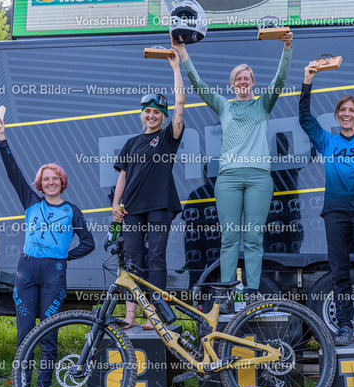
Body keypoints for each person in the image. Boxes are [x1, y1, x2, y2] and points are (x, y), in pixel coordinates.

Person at [172, 31, 293, 297]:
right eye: (238, 79)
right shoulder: (223, 106)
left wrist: (287, 48)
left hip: (259, 178)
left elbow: (280, 79)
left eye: (246, 78)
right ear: (232, 85)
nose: (242, 82)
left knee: (253, 237)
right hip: (228, 178)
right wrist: (183, 53)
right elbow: (198, 84)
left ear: (253, 83)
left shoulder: (263, 105)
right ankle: (227, 292)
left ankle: (252, 291)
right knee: (229, 237)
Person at [0, 119, 95, 387]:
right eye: (46, 179)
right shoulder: (31, 201)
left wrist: (63, 256)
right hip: (26, 272)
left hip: (54, 275)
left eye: (55, 178)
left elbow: (89, 244)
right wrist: (1, 139)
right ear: (40, 184)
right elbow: (13, 171)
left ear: (62, 182)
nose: (50, 182)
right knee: (24, 333)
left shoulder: (72, 211)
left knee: (49, 333)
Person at [299, 61, 354, 346]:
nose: (347, 114)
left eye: (351, 111)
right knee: (339, 272)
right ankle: (345, 327)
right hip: (335, 212)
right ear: (337, 115)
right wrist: (307, 82)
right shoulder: (327, 141)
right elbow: (305, 119)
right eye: (343, 110)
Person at [113, 36, 185, 329]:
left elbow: (180, 103)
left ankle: (154, 316)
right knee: (132, 260)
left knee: (155, 258)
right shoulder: (131, 142)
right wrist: (116, 206)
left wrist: (175, 68)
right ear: (142, 114)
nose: (152, 115)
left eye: (157, 112)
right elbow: (122, 175)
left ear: (162, 116)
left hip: (160, 206)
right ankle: (130, 316)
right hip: (131, 208)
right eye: (148, 111)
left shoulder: (168, 137)